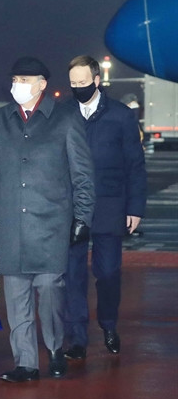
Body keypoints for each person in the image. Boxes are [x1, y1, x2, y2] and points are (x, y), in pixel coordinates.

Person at [0, 56, 95, 383]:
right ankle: (25, 363)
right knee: (16, 297)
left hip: (51, 223)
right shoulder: (1, 119)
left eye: (25, 80)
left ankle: (55, 348)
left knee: (50, 288)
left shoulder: (66, 118)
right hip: (11, 224)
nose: (18, 85)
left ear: (42, 84)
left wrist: (82, 216)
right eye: (15, 80)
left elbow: (82, 174)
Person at [64, 55, 147, 360]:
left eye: (83, 82)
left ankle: (109, 324)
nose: (78, 88)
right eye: (73, 84)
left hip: (110, 205)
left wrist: (135, 207)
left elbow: (135, 165)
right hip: (71, 207)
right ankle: (76, 338)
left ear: (97, 80)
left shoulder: (121, 116)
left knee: (109, 272)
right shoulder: (63, 114)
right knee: (72, 275)